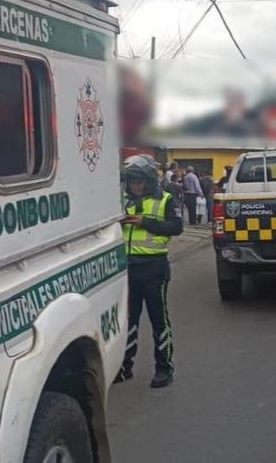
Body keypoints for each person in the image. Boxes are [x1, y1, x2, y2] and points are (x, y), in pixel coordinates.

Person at [117, 155, 183, 388]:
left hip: (154, 269)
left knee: (158, 320)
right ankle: (124, 367)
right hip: (128, 269)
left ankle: (164, 368)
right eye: (131, 181)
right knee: (128, 320)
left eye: (138, 181)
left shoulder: (166, 199)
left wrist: (144, 222)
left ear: (148, 180)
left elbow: (176, 227)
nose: (134, 186)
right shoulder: (123, 201)